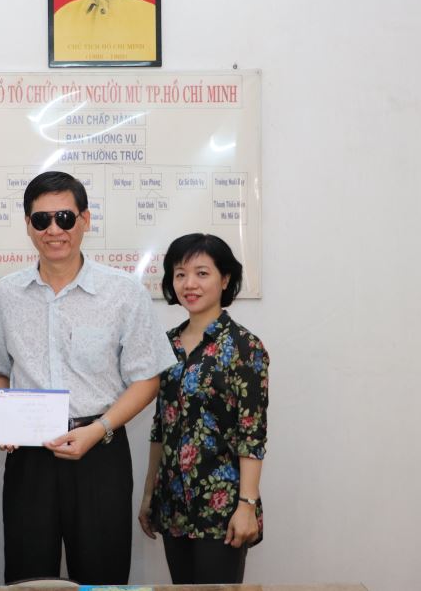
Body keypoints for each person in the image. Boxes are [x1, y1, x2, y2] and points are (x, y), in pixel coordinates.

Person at [0, 170, 176, 584]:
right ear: (28, 226)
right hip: (30, 455)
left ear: (85, 220)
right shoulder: (5, 294)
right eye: (42, 220)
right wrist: (7, 416)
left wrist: (99, 429)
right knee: (28, 575)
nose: (54, 230)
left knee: (103, 575)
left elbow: (147, 378)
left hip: (99, 450)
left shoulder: (123, 291)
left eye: (65, 218)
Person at [138, 234, 270, 584]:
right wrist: (150, 494)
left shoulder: (244, 347)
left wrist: (247, 505)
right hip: (173, 503)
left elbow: (252, 433)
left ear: (224, 279)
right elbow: (161, 425)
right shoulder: (166, 345)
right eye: (180, 274)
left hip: (222, 506)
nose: (189, 284)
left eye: (201, 273)